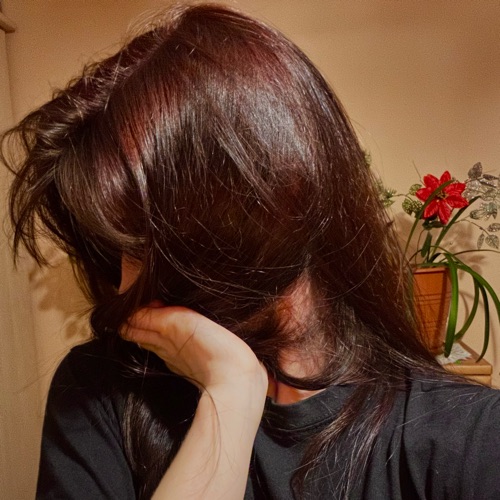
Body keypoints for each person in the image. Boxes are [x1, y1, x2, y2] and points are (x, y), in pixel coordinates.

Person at [2, 3, 500, 499]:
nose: (125, 287)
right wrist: (231, 395)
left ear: (277, 203)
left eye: (148, 246)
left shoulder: (471, 441)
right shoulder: (98, 394)